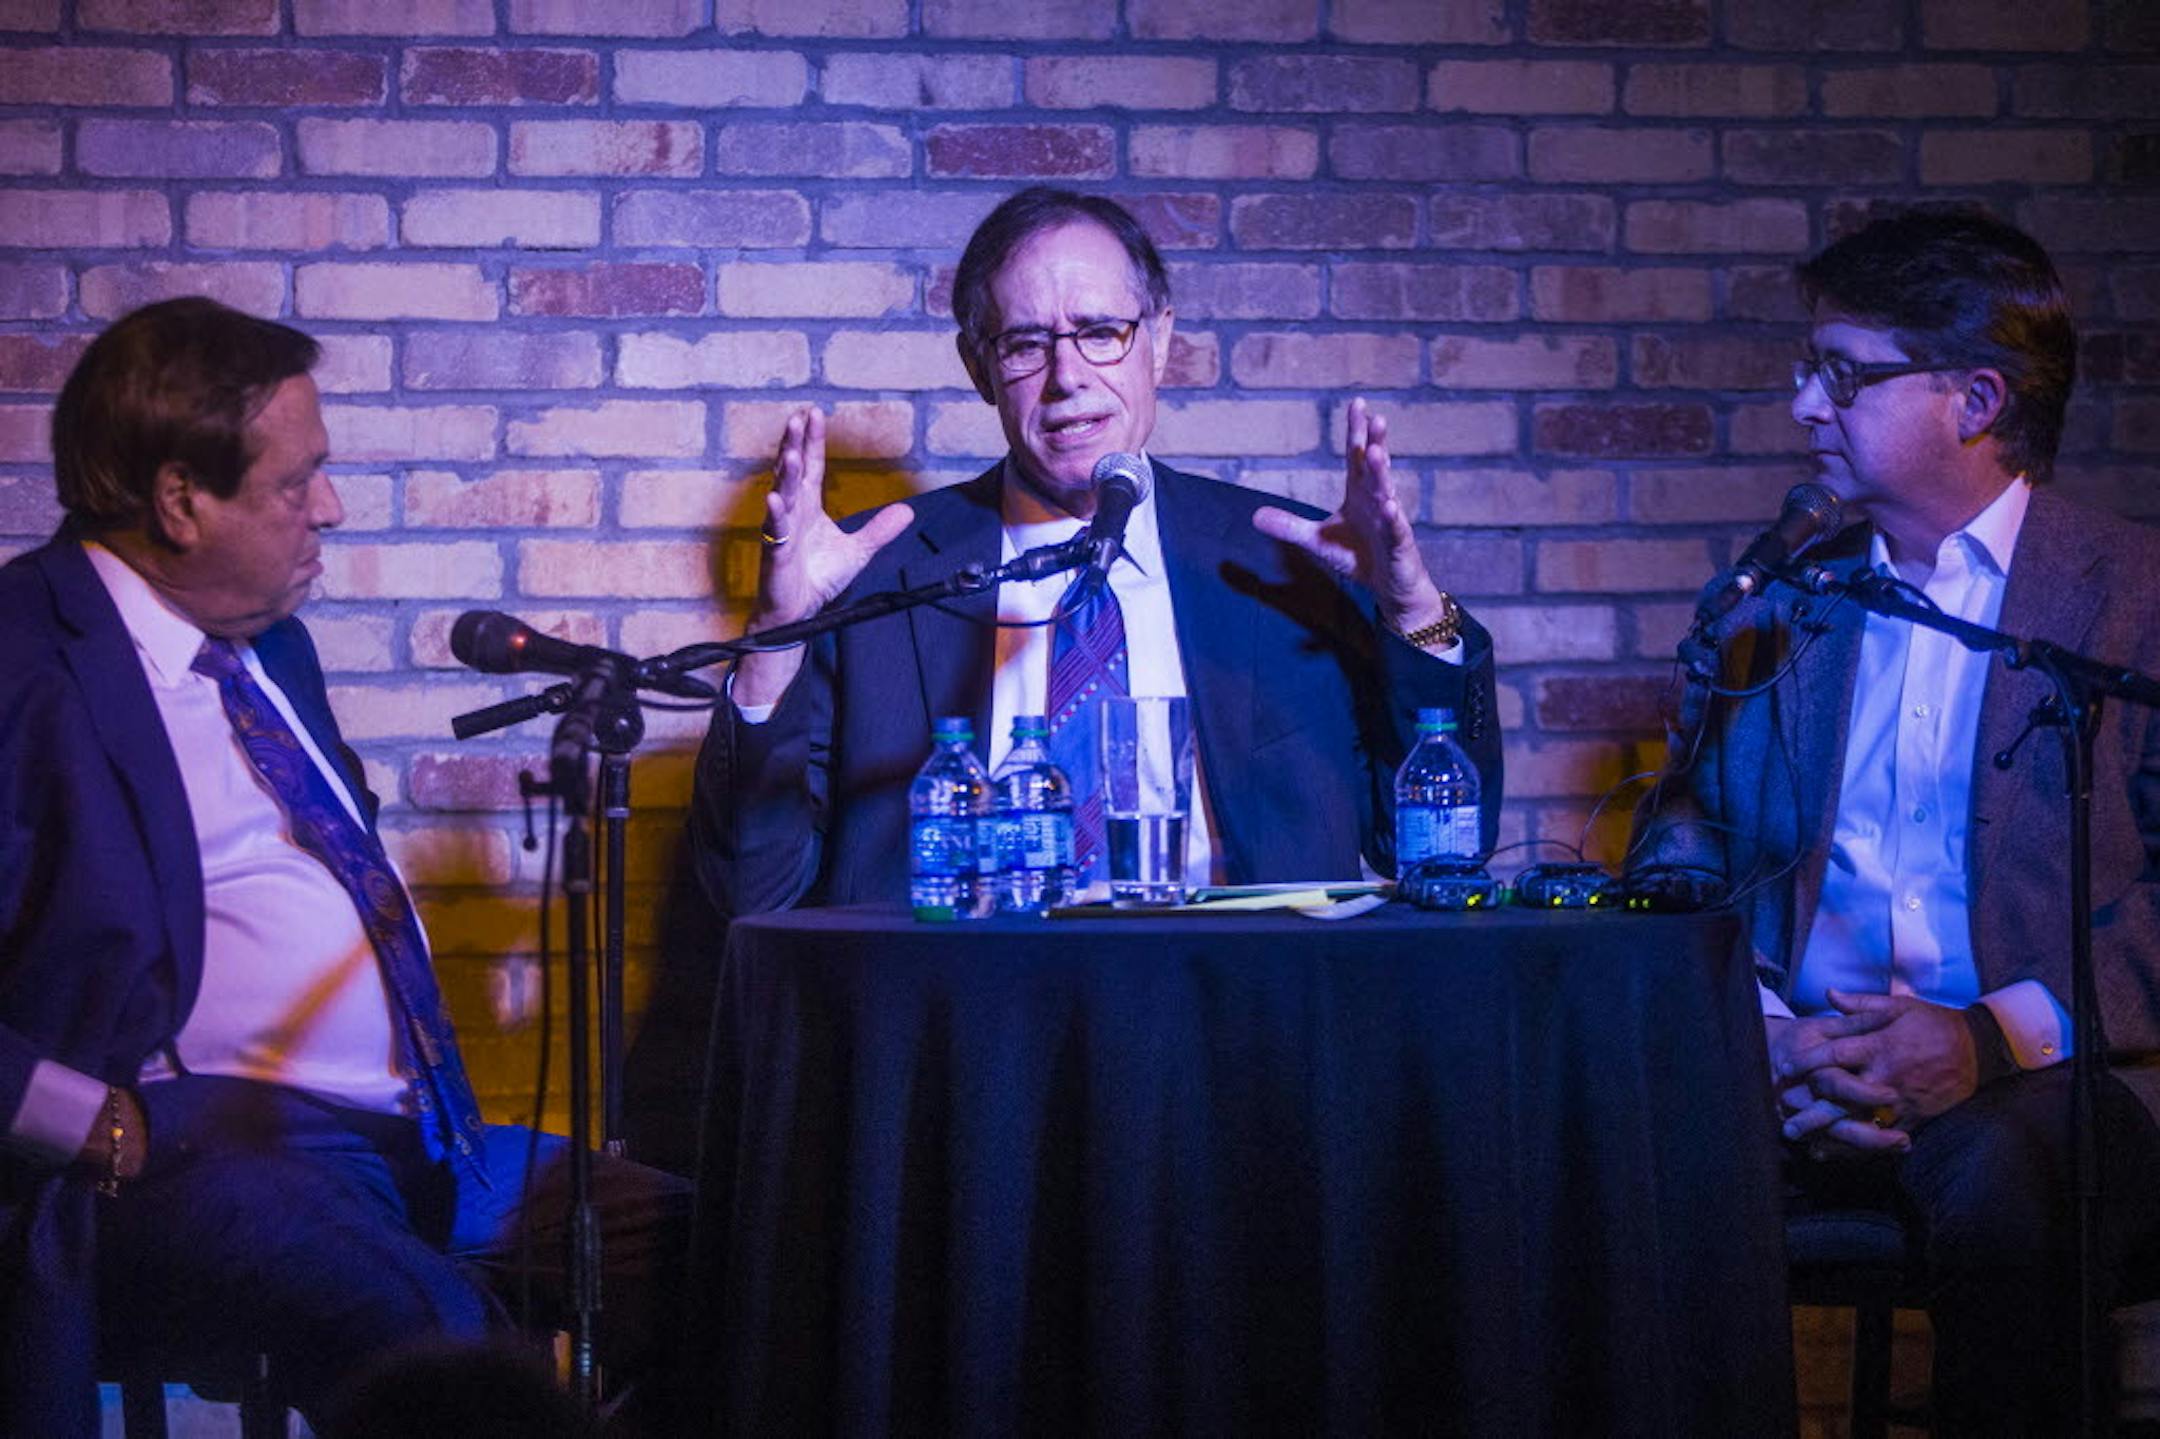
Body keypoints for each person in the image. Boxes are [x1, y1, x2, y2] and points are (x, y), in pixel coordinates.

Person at [0, 298, 688, 1436]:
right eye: (296, 482)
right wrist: (88, 1123)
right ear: (180, 498)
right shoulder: (24, 656)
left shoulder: (272, 646)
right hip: (191, 1152)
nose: (329, 507)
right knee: (434, 1333)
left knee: (744, 1251)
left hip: (418, 1137)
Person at [1630, 211, 2160, 1431]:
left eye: (1842, 373)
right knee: (1597, 1140)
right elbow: (1688, 846)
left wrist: (1987, 1038)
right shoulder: (1787, 601)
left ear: (1976, 400)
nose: (1803, 405)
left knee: (2012, 1172)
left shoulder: (2131, 595)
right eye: (1807, 368)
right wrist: (1764, 1033)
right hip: (1797, 1072)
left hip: (2053, 1075)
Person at [687, 187, 1502, 917]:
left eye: (1101, 332)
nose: (1067, 376)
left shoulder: (1288, 561)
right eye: (1025, 345)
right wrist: (774, 640)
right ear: (979, 368)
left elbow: (1431, 851)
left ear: (1160, 341)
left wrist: (1412, 610)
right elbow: (753, 890)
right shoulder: (882, 576)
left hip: (1236, 1003)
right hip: (962, 1008)